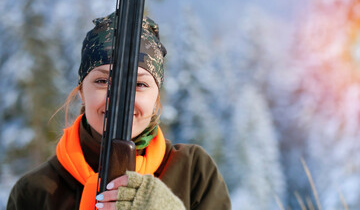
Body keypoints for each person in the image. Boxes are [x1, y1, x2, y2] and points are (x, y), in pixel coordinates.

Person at [6, 13, 231, 210]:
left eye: (139, 85)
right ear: (82, 91)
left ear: (156, 98)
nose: (120, 99)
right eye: (103, 81)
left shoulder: (194, 172)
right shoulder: (35, 191)